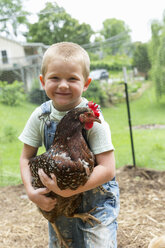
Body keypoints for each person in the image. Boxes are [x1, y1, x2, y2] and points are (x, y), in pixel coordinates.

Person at [19, 42, 120, 248]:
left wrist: (69, 190)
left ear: (86, 83)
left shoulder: (91, 117)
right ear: (42, 81)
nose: (63, 85)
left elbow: (108, 169)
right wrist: (31, 191)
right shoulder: (41, 116)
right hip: (58, 201)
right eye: (55, 78)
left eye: (72, 79)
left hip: (95, 201)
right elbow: (26, 158)